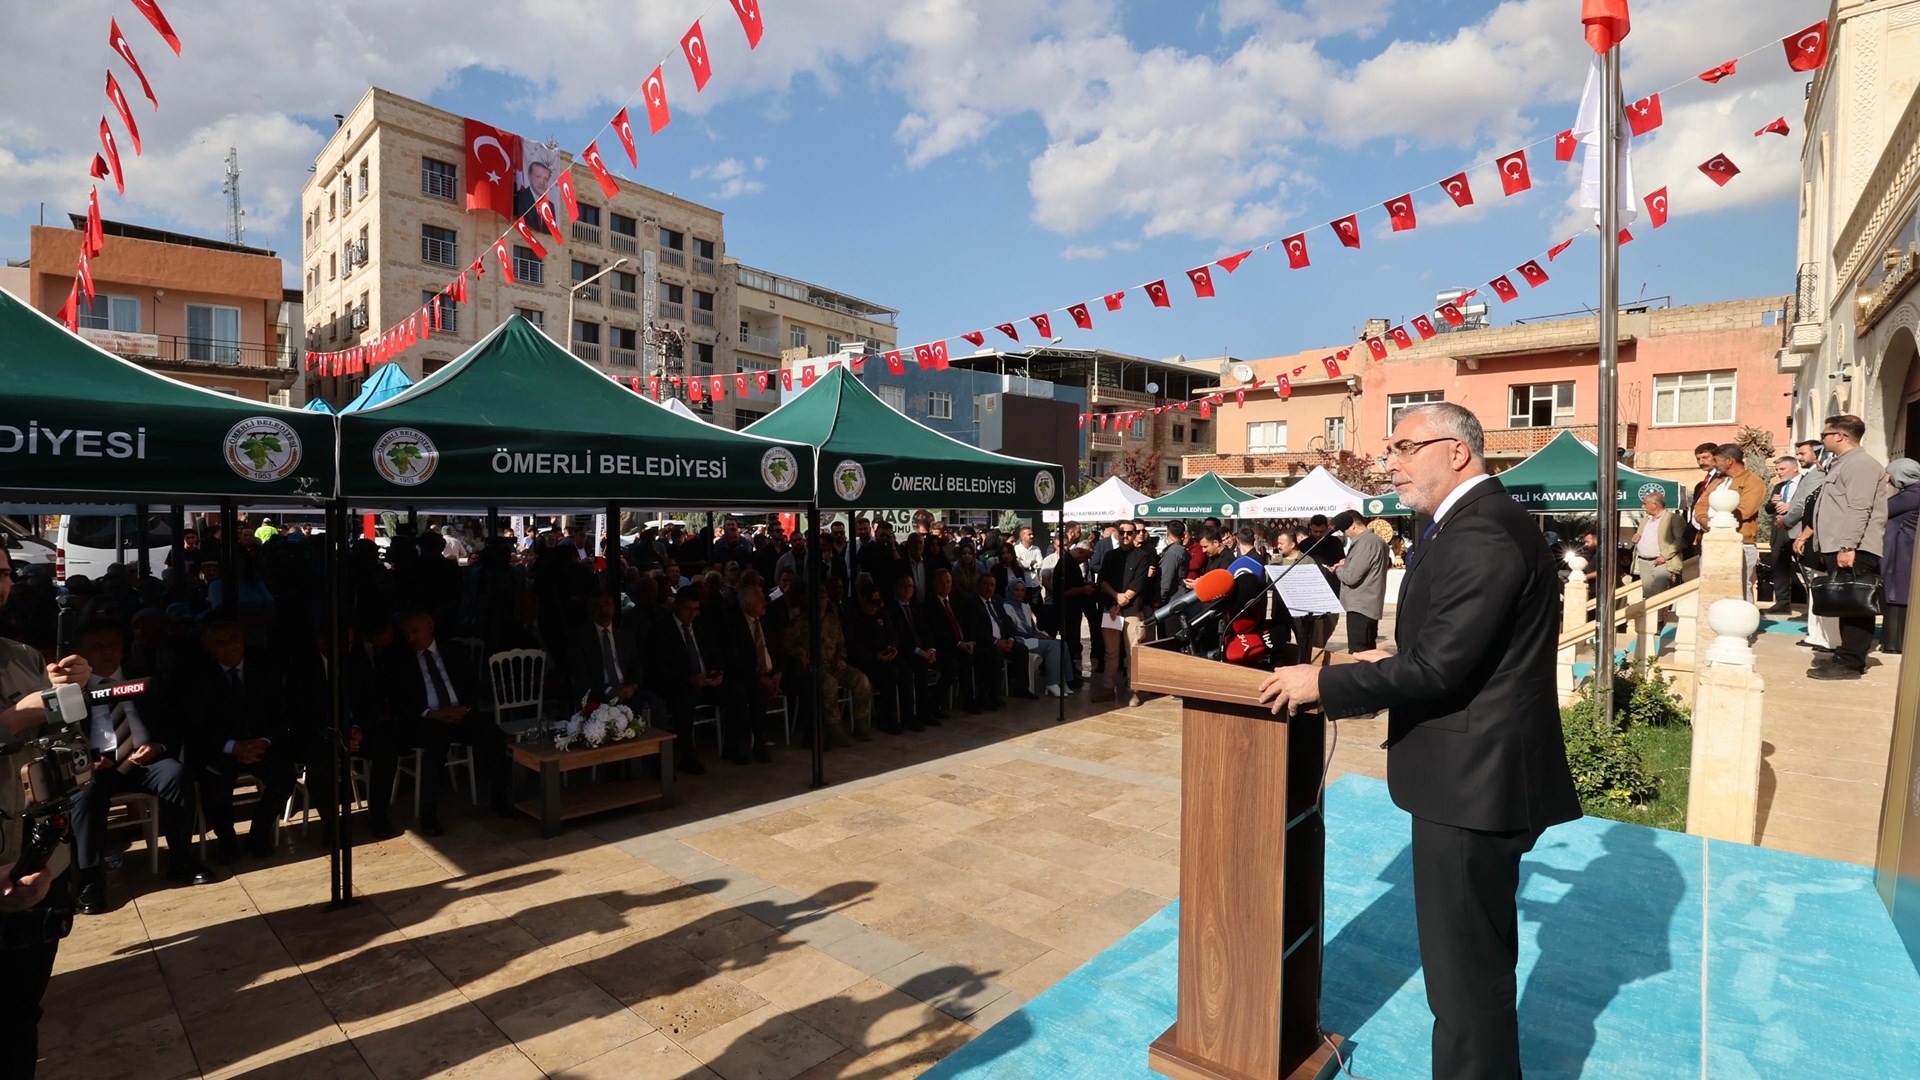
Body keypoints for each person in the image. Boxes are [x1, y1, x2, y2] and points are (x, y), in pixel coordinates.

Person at [1258, 402, 1580, 1080]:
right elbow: (1454, 649)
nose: (1390, 462)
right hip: (1471, 774)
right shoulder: (1464, 524)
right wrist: (1379, 661)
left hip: (1474, 782)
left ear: (1457, 452)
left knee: (1465, 982)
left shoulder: (1480, 530)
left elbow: (1440, 669)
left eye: (1404, 447)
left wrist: (1325, 686)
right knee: (1470, 969)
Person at [0, 566, 91, 1076]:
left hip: (32, 868)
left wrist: (70, 689)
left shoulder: (22, 657)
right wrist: (12, 719)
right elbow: (17, 725)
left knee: (18, 1017)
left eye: (3, 573)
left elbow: (62, 745)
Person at [66, 620, 212, 915]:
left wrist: (158, 746)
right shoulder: (71, 690)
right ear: (82, 652)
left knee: (176, 773)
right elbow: (59, 739)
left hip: (146, 760)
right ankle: (90, 878)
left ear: (124, 648)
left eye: (113, 645)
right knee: (85, 794)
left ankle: (181, 858)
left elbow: (175, 722)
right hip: (98, 768)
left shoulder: (146, 678)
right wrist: (87, 760)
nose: (107, 652)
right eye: (98, 647)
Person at [378, 611, 515, 835]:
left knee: (491, 732)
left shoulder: (454, 651)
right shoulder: (399, 659)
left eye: (415, 631)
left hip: (460, 714)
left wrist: (465, 708)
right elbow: (398, 700)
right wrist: (431, 713)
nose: (411, 638)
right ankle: (429, 812)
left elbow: (474, 685)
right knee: (436, 741)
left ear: (430, 627)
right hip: (427, 720)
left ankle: (499, 796)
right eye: (406, 634)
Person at [183, 616, 297, 860]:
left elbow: (283, 712)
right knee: (214, 783)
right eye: (219, 642)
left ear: (243, 639)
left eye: (233, 639)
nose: (229, 646)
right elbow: (194, 726)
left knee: (284, 776)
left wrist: (264, 741)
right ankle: (226, 839)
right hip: (219, 747)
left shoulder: (264, 663)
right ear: (208, 646)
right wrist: (232, 746)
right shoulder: (195, 672)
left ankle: (259, 834)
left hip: (260, 743)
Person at [1803, 415, 1890, 680]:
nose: (1822, 439)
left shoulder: (1861, 464)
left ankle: (1851, 663)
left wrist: (1847, 546)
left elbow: (1859, 508)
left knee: (1856, 605)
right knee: (1846, 604)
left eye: (1825, 434)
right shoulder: (1842, 464)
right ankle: (1845, 655)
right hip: (1840, 545)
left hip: (1854, 547)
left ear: (1841, 436)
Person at [566, 591, 670, 731]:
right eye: (597, 606)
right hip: (599, 693)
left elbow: (637, 667)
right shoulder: (580, 638)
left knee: (656, 704)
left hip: (626, 691)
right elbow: (580, 676)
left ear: (614, 607)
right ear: (590, 611)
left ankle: (655, 750)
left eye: (607, 604)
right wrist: (609, 690)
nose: (603, 609)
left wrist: (632, 687)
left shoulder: (625, 634)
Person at [782, 588, 869, 745]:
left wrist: (841, 658)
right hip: (813, 667)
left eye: (824, 598)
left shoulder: (833, 621)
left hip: (833, 664)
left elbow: (841, 644)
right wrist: (800, 653)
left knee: (860, 678)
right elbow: (786, 644)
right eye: (818, 599)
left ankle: (860, 723)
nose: (821, 603)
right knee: (829, 684)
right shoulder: (800, 622)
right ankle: (833, 727)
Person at [1693, 444, 1767, 602]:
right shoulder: (1717, 481)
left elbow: (1746, 510)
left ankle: (1745, 623)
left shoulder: (1753, 481)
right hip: (1712, 540)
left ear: (1730, 461)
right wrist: (1703, 519)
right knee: (1711, 586)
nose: (1714, 464)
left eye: (1717, 460)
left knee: (1740, 587)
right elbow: (1701, 504)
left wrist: (1718, 521)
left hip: (1740, 542)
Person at [1096, 521, 1154, 705]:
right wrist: (1116, 596)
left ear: (1136, 534)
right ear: (1118, 533)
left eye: (1130, 532)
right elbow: (1102, 580)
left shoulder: (1142, 556)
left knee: (1132, 652)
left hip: (1132, 610)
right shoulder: (1110, 555)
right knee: (1111, 653)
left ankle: (1134, 691)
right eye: (1122, 532)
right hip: (1111, 609)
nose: (1126, 536)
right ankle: (1107, 689)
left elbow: (1139, 583)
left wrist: (1124, 598)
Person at [1774, 440, 1827, 617]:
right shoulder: (1811, 474)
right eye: (1798, 454)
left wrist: (1786, 520)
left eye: (1803, 454)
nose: (1799, 457)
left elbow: (1805, 503)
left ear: (1816, 454)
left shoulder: (1818, 475)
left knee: (1811, 575)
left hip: (1807, 531)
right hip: (1798, 531)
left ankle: (1814, 611)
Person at [1331, 510, 1387, 653]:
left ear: (1354, 526)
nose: (1345, 534)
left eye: (1345, 530)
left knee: (1359, 653)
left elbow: (1351, 577)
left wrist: (1338, 569)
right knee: (1364, 652)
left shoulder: (1366, 542)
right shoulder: (1370, 541)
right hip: (1363, 606)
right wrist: (1346, 563)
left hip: (1362, 607)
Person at [1882, 458, 1920, 656]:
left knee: (1897, 596)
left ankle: (1895, 643)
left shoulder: (1911, 495)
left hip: (1902, 553)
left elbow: (1881, 510)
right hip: (1903, 551)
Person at [1003, 581, 1066, 697]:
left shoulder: (1025, 607)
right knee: (1052, 646)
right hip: (1021, 640)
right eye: (1016, 590)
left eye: (1022, 590)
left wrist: (1041, 634)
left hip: (1032, 637)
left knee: (1062, 644)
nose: (1019, 593)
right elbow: (1013, 630)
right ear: (1011, 591)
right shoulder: (1006, 607)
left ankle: (1064, 682)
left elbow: (1032, 627)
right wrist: (1034, 635)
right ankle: (1052, 683)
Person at [1629, 491, 1686, 600]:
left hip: (1663, 562)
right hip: (1643, 562)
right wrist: (1635, 538)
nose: (1642, 506)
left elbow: (1681, 540)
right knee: (1648, 594)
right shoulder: (1645, 519)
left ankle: (1660, 617)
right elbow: (1639, 536)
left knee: (1660, 592)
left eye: (1644, 503)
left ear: (1655, 505)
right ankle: (1652, 617)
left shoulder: (1674, 519)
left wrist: (1664, 556)